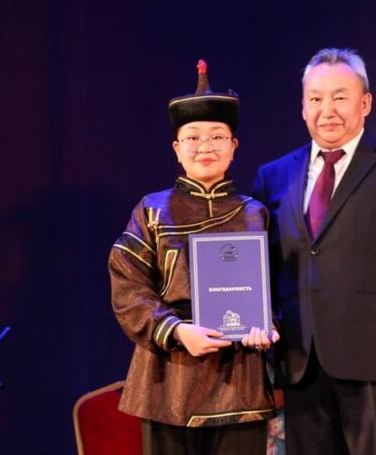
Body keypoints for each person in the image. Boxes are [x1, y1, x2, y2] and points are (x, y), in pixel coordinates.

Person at [252, 47, 376, 454]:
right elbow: (262, 269)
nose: (328, 110)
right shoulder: (273, 176)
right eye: (316, 99)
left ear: (365, 103)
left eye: (340, 97)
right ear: (303, 107)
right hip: (302, 364)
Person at [109, 60, 278, 454]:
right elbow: (128, 287)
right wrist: (176, 331)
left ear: (233, 146)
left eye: (217, 136)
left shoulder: (256, 213)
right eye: (193, 138)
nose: (205, 147)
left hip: (240, 381)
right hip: (169, 378)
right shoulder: (152, 210)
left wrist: (269, 324)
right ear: (176, 148)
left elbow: (280, 286)